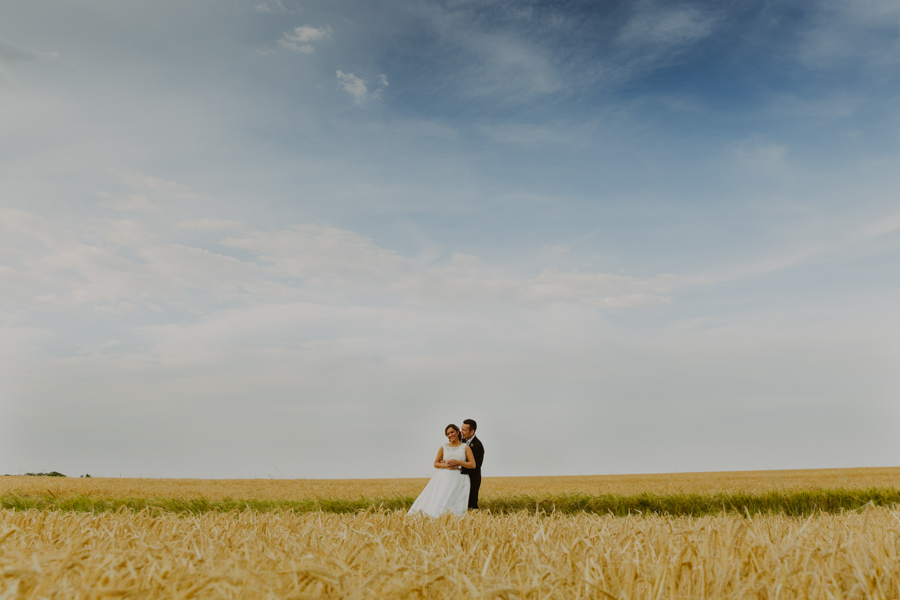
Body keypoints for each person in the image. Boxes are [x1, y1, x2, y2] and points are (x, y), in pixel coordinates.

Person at [408, 424, 476, 517]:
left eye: (452, 432)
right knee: (441, 499)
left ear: (457, 432)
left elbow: (473, 464)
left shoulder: (465, 447)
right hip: (444, 477)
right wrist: (445, 465)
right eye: (447, 434)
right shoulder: (444, 447)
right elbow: (436, 463)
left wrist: (458, 462)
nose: (450, 435)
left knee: (456, 504)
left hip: (460, 479)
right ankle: (436, 518)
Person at [446, 419, 484, 510]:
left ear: (472, 432)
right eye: (461, 428)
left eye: (464, 430)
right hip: (457, 478)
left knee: (471, 503)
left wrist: (458, 466)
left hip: (472, 479)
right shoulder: (460, 440)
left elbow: (476, 467)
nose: (461, 431)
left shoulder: (478, 446)